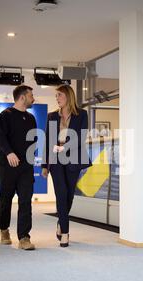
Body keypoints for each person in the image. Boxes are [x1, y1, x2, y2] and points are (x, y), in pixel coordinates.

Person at [41, 85, 92, 247]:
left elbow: (81, 137)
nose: (57, 98)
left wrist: (65, 147)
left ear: (68, 96)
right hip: (56, 159)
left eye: (60, 95)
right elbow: (48, 141)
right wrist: (45, 165)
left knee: (69, 195)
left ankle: (60, 222)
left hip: (74, 158)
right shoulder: (52, 116)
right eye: (56, 96)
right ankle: (65, 232)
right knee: (61, 193)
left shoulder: (82, 114)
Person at [0, 85, 37, 250]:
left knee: (26, 200)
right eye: (31, 96)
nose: (33, 99)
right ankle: (4, 230)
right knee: (6, 199)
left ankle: (24, 237)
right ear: (22, 97)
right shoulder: (5, 116)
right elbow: (0, 137)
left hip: (26, 167)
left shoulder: (31, 118)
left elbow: (33, 141)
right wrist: (9, 153)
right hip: (8, 165)